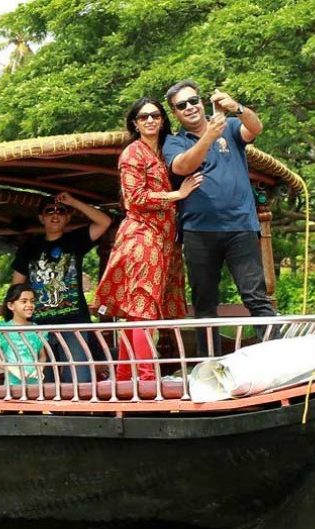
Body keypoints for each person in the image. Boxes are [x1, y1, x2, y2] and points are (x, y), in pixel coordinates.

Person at [163, 80, 276, 355]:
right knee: (204, 304)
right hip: (199, 232)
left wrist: (236, 107)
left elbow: (255, 128)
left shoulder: (229, 125)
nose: (190, 107)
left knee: (256, 297)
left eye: (193, 101)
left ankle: (277, 359)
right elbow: (182, 165)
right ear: (175, 113)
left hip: (241, 227)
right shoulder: (174, 141)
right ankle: (208, 366)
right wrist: (209, 136)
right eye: (181, 105)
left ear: (201, 102)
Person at [95, 97, 201, 380]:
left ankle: (124, 378)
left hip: (165, 240)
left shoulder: (167, 151)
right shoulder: (133, 153)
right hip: (142, 236)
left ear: (163, 120)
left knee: (139, 313)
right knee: (142, 310)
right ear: (135, 123)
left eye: (155, 115)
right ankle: (146, 378)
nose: (151, 120)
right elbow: (134, 199)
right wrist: (176, 195)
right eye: (144, 117)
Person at [12, 192, 112, 383]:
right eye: (49, 211)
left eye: (61, 211)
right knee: (43, 382)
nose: (55, 214)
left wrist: (73, 201)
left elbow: (104, 222)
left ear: (68, 217)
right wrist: (17, 321)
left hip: (74, 323)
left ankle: (78, 414)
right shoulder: (29, 247)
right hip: (39, 325)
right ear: (41, 217)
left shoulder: (75, 240)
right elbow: (17, 285)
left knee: (78, 381)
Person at [0, 283, 46, 385]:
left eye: (32, 301)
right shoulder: (4, 329)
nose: (29, 305)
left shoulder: (37, 329)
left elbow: (42, 356)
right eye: (24, 301)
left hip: (35, 383)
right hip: (12, 384)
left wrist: (39, 368)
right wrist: (13, 369)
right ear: (11, 305)